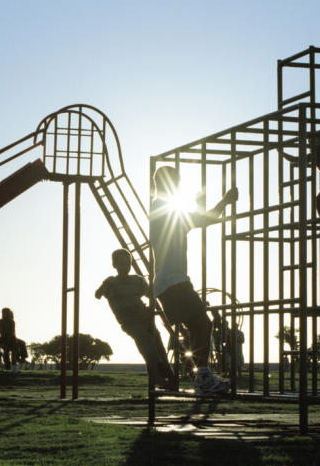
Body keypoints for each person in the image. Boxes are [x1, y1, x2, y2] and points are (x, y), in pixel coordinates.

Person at [149, 166, 237, 396]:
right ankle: (203, 377)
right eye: (176, 182)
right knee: (202, 324)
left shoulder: (162, 209)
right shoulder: (164, 208)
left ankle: (202, 375)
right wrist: (224, 202)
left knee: (196, 327)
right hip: (174, 281)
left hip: (168, 283)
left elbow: (198, 219)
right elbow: (201, 219)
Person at [95, 248, 178, 390]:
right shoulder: (111, 282)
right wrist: (105, 291)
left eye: (127, 264)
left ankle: (168, 375)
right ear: (114, 265)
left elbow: (151, 294)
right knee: (147, 342)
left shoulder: (137, 280)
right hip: (129, 321)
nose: (124, 267)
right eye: (121, 264)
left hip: (145, 316)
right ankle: (156, 377)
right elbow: (97, 294)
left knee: (158, 345)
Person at [0, 307, 19, 373]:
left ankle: (14, 369)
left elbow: (12, 332)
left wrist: (8, 341)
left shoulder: (12, 321)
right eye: (4, 313)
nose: (4, 314)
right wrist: (3, 339)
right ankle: (8, 368)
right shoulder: (0, 321)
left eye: (6, 313)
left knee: (13, 354)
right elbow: (1, 331)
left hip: (11, 338)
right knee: (5, 354)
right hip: (3, 337)